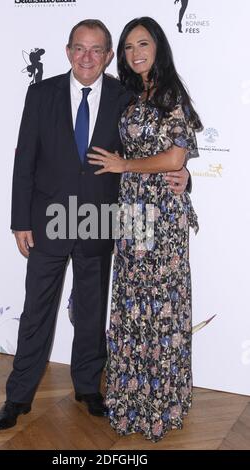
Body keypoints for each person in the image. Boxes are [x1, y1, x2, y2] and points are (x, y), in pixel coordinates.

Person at [0, 19, 190, 431]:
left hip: (102, 218)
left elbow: (154, 147)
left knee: (91, 309)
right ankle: (17, 397)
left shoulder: (125, 95)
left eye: (96, 49)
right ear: (67, 52)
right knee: (36, 312)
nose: (87, 57)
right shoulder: (41, 94)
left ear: (107, 57)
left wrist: (185, 174)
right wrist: (20, 221)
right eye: (79, 48)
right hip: (49, 220)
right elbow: (23, 161)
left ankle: (87, 387)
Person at [88, 17, 202, 441]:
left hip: (164, 216)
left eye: (143, 43)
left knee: (163, 306)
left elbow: (176, 159)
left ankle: (162, 402)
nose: (136, 52)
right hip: (133, 211)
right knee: (133, 303)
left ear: (158, 46)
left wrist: (127, 166)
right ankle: (130, 398)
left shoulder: (172, 94)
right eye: (129, 46)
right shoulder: (128, 94)